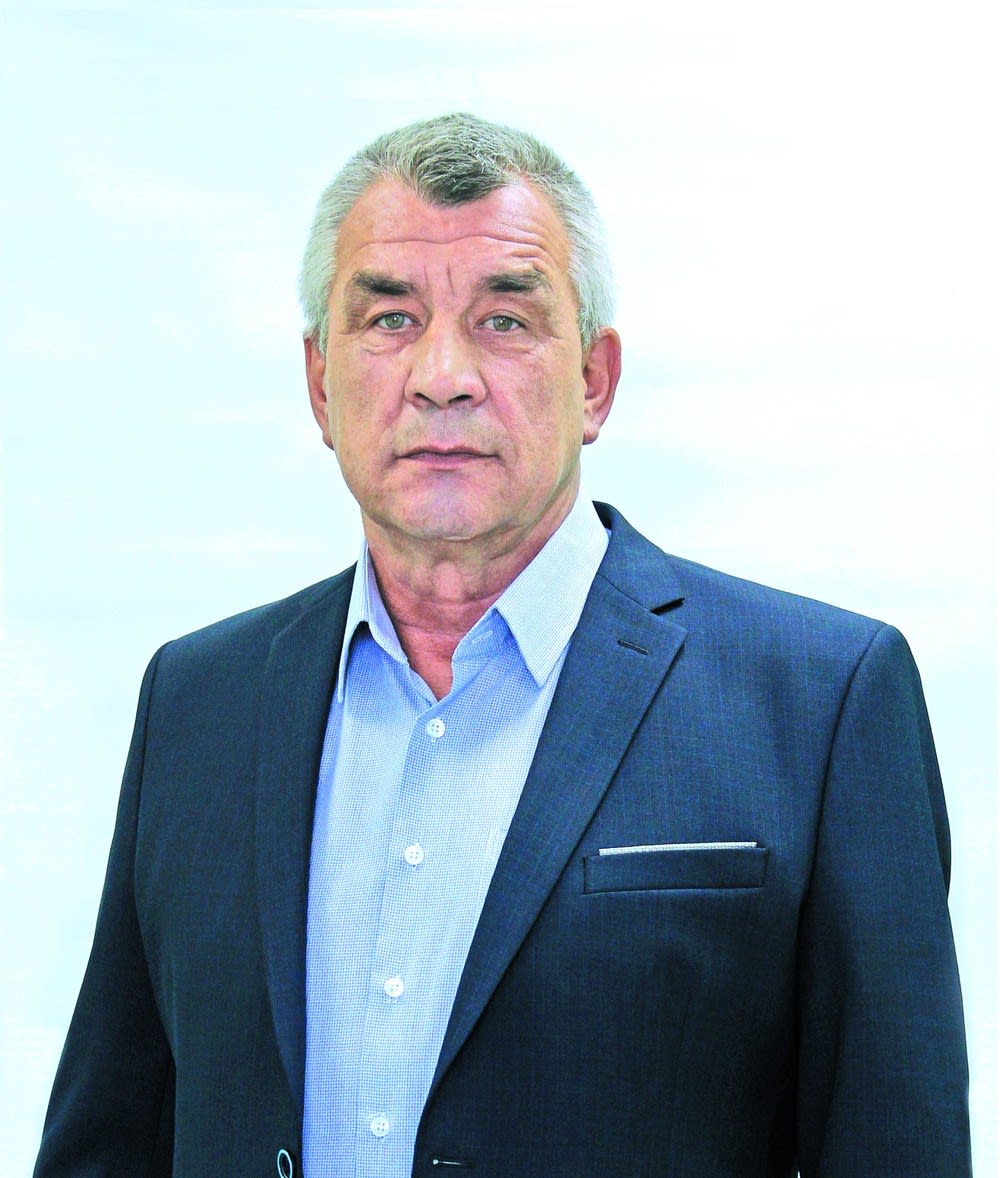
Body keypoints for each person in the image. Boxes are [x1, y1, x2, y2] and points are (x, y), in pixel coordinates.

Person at [34, 112, 971, 1178]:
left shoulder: (820, 702)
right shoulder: (198, 701)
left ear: (595, 381)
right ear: (320, 385)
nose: (442, 374)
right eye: (390, 318)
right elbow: (108, 1142)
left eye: (504, 320)